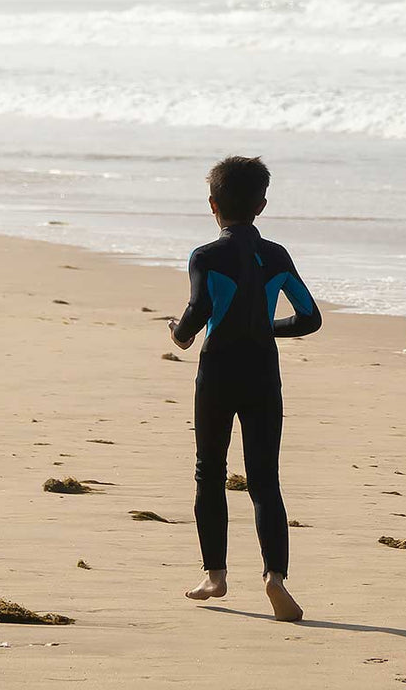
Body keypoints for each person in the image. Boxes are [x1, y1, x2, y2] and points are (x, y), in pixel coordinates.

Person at [169, 156, 322, 622]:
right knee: (264, 480)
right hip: (262, 374)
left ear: (213, 204)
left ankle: (215, 574)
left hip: (217, 373)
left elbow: (197, 311)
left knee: (209, 470)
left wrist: (178, 333)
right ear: (262, 204)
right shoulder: (276, 255)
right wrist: (265, 326)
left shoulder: (205, 255)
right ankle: (275, 576)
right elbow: (310, 317)